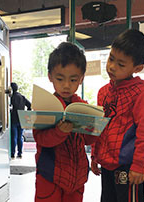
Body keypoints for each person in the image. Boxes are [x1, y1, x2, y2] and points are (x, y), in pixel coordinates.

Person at [91, 29, 144, 202]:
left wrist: (139, 165)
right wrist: (94, 155)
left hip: (129, 167)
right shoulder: (103, 92)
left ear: (138, 68)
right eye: (111, 58)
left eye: (121, 64)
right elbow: (100, 127)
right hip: (106, 163)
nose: (112, 66)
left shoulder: (141, 92)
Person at [33, 42, 98, 202]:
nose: (66, 85)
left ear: (81, 79)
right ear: (50, 77)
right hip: (49, 175)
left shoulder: (82, 106)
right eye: (60, 79)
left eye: (73, 80)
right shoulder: (46, 104)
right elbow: (40, 138)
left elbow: (88, 140)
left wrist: (95, 129)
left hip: (77, 175)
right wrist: (60, 132)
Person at [10, 82, 31, 159]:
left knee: (14, 137)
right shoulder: (22, 97)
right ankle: (20, 153)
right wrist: (26, 114)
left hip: (13, 119)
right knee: (20, 137)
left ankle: (12, 154)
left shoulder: (10, 97)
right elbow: (30, 105)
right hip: (21, 119)